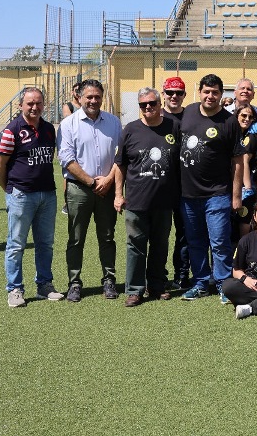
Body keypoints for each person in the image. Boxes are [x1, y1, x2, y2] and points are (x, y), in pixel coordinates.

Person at [0, 87, 65, 307]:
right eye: (30, 103)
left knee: (45, 243)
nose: (35, 107)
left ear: (44, 105)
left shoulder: (49, 129)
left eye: (39, 103)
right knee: (16, 245)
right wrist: (10, 189)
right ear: (20, 105)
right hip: (21, 195)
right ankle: (15, 290)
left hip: (47, 195)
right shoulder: (11, 131)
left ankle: (44, 285)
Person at [179, 73, 244, 302]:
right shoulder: (187, 113)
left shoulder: (229, 121)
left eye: (215, 92)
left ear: (221, 94)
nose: (210, 96)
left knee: (219, 242)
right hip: (187, 194)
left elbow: (237, 161)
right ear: (199, 92)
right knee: (195, 242)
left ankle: (223, 284)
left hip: (217, 194)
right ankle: (200, 283)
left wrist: (236, 195)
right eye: (206, 91)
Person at [113, 87, 181, 306]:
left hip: (164, 201)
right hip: (136, 201)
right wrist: (118, 194)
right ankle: (134, 289)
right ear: (139, 107)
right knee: (135, 246)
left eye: (152, 103)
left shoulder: (174, 127)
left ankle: (157, 285)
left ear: (160, 104)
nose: (148, 108)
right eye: (143, 105)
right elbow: (120, 164)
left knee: (160, 244)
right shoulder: (130, 130)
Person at [57, 79, 122, 302]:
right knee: (76, 239)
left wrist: (108, 180)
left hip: (107, 188)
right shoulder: (68, 124)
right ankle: (74, 283)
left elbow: (119, 157)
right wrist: (92, 182)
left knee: (107, 237)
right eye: (89, 97)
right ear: (80, 98)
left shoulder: (114, 122)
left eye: (97, 96)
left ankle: (109, 280)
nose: (93, 100)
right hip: (79, 189)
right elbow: (66, 159)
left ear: (102, 97)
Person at [161, 76, 190, 288]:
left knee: (184, 235)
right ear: (163, 94)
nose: (174, 96)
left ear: (184, 95)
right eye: (170, 92)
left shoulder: (191, 116)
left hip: (186, 186)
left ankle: (181, 275)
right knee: (159, 235)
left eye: (178, 93)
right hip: (159, 186)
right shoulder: (154, 115)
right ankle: (157, 276)